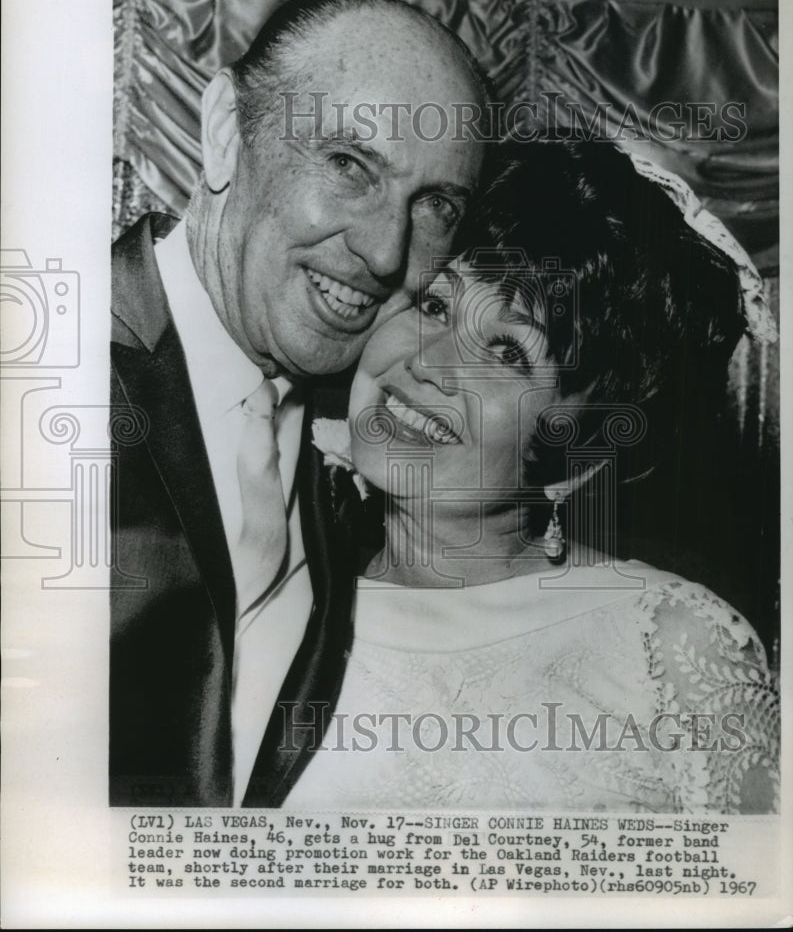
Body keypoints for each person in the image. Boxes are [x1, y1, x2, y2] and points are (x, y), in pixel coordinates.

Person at [285, 140, 780, 811]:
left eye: (506, 352)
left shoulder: (669, 644)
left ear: (582, 442)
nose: (429, 363)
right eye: (435, 306)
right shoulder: (272, 596)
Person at [109, 0, 487, 807]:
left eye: (435, 206)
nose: (384, 252)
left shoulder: (376, 445)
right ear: (225, 131)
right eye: (349, 165)